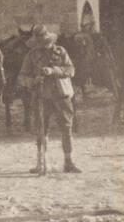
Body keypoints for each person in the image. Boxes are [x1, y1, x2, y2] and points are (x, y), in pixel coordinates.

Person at [18, 25, 82, 174]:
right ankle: (41, 163)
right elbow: (22, 77)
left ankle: (68, 162)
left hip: (61, 96)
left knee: (66, 128)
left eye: (45, 42)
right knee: (41, 130)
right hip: (41, 97)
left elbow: (71, 70)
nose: (43, 45)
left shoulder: (61, 52)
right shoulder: (31, 55)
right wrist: (34, 80)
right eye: (40, 42)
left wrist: (53, 71)